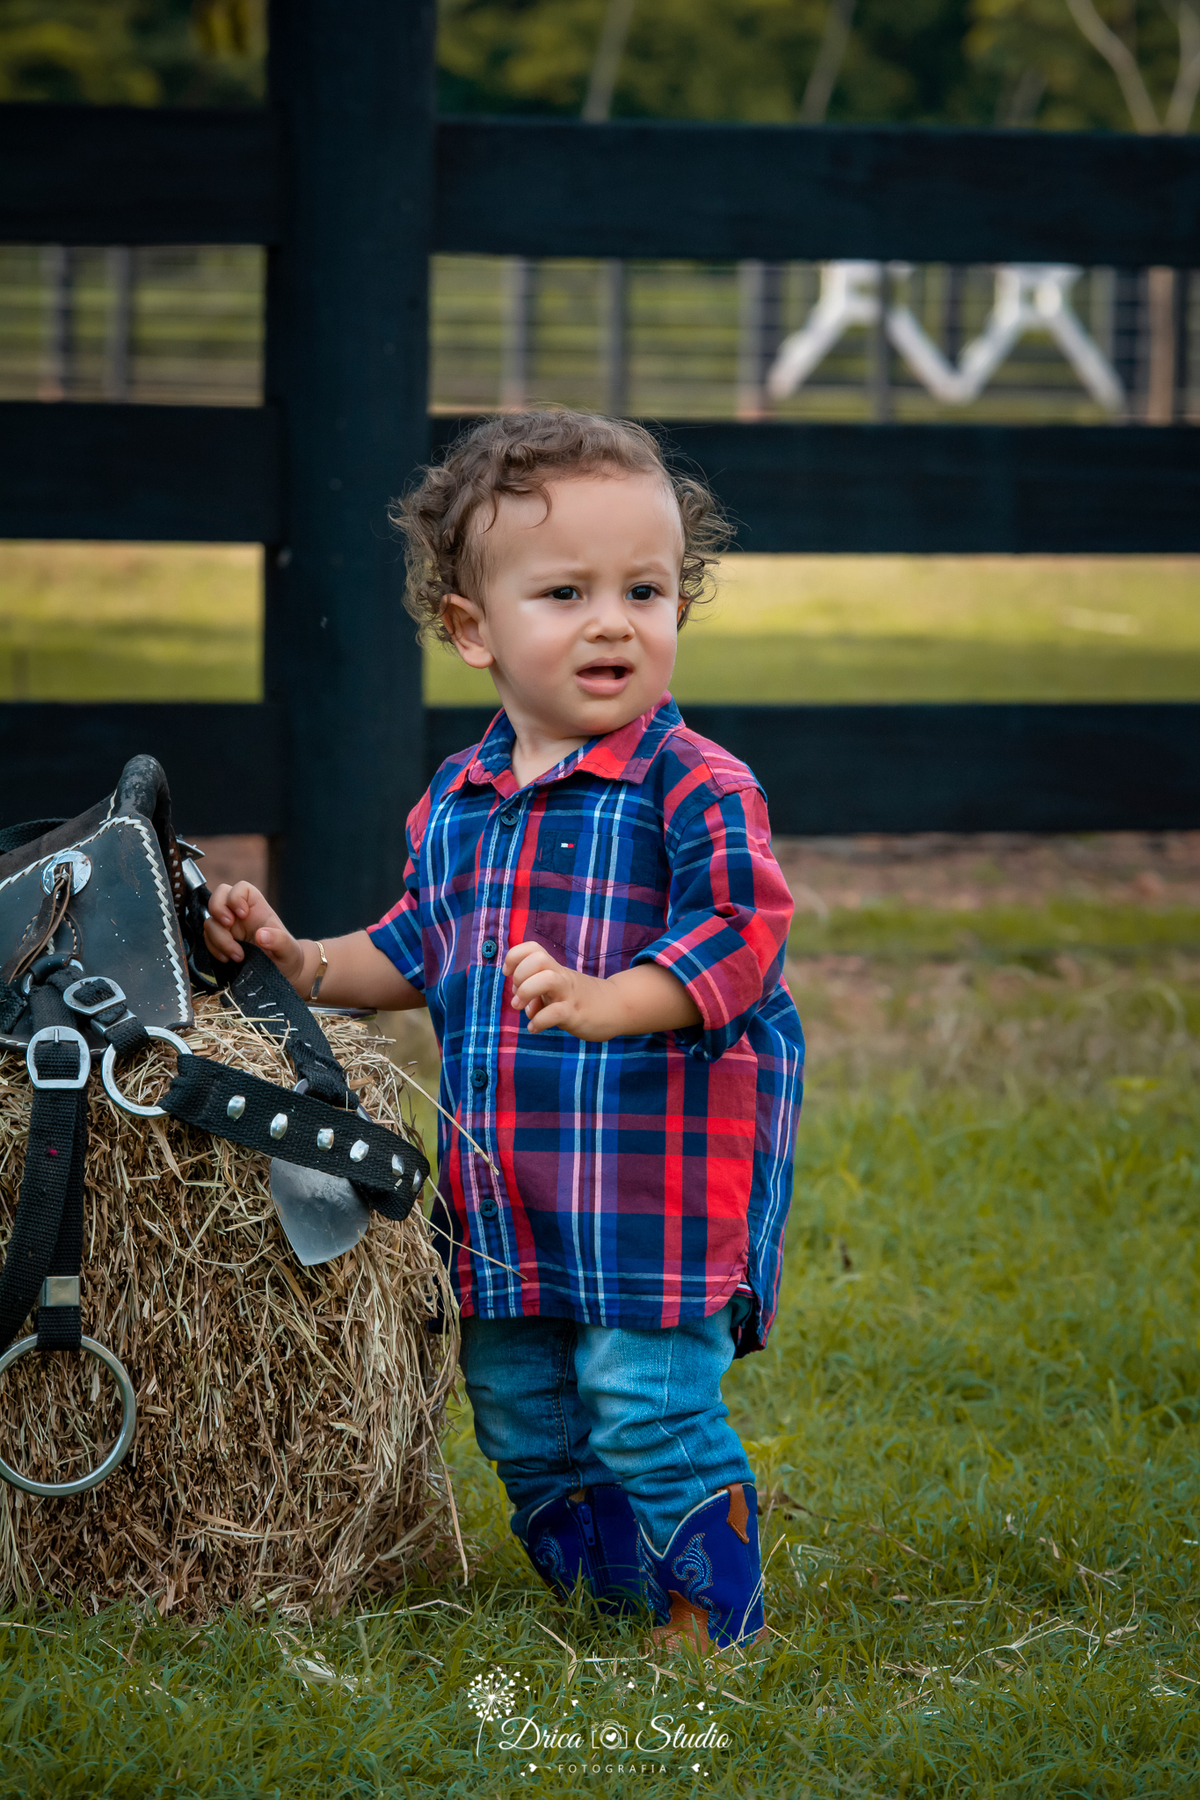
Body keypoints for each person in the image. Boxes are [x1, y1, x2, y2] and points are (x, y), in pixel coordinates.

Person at [203, 410, 804, 1656]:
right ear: (472, 631)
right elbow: (416, 948)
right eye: (566, 591)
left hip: (654, 1186)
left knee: (640, 1397)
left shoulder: (696, 783)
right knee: (523, 1409)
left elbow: (745, 934)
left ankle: (714, 1615)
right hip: (508, 1192)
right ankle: (613, 1596)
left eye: (646, 588)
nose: (612, 621)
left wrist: (610, 996)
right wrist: (300, 960)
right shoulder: (460, 804)